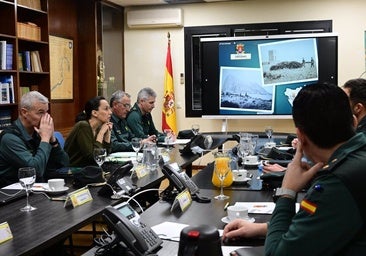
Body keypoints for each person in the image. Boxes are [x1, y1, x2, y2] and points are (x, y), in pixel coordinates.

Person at [223, 83, 366, 255]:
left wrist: (287, 192)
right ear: (354, 121)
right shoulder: (355, 161)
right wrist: (265, 228)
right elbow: (325, 224)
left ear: (300, 136)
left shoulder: (337, 183)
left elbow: (277, 254)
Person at [0, 91, 69, 187]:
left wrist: (52, 139)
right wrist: (45, 139)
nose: (46, 117)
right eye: (41, 112)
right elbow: (36, 170)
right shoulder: (10, 138)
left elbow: (64, 164)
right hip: (15, 194)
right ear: (24, 112)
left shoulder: (38, 132)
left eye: (47, 112)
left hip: (40, 187)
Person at [64, 96, 112, 167]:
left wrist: (107, 134)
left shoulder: (98, 127)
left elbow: (105, 153)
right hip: (74, 170)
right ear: (94, 113)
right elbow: (92, 157)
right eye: (106, 109)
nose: (110, 112)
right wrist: (101, 133)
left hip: (89, 169)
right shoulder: (83, 126)